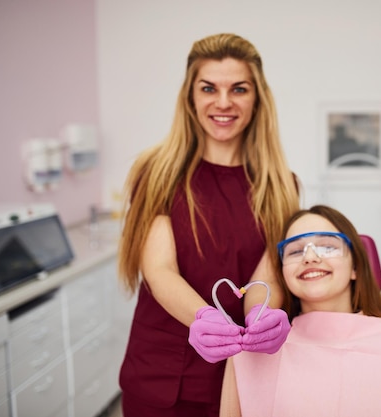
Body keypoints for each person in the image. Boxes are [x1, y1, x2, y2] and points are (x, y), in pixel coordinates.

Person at [117, 33, 300, 417]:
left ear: (257, 97)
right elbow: (159, 268)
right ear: (190, 97)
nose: (223, 102)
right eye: (208, 88)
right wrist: (205, 318)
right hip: (165, 376)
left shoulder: (282, 183)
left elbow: (266, 271)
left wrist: (261, 314)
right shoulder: (156, 173)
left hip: (248, 375)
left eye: (238, 89)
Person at [220, 205, 381, 417]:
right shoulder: (248, 358)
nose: (310, 257)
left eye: (327, 246)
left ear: (355, 266)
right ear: (282, 274)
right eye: (295, 251)